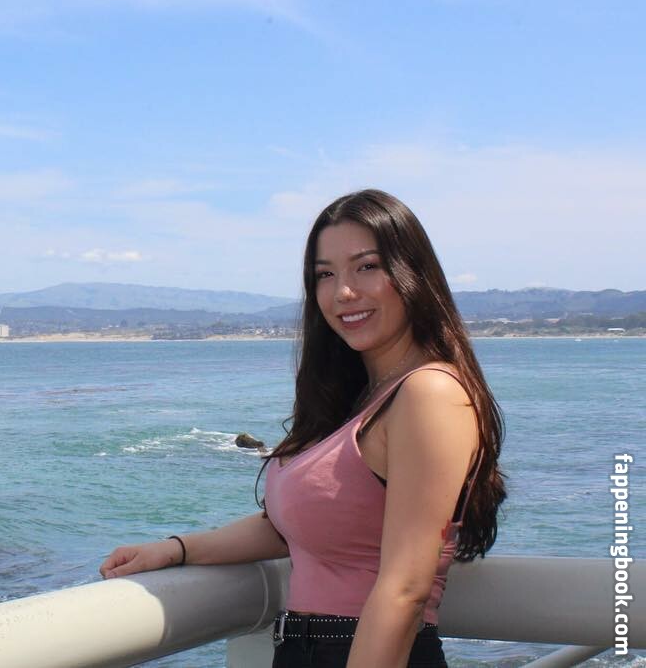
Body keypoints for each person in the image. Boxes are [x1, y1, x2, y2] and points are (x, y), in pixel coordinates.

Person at [100, 189, 507, 668]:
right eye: (325, 275)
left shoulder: (428, 393)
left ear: (412, 272)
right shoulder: (359, 399)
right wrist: (176, 550)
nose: (344, 292)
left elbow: (405, 589)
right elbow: (291, 527)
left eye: (367, 266)